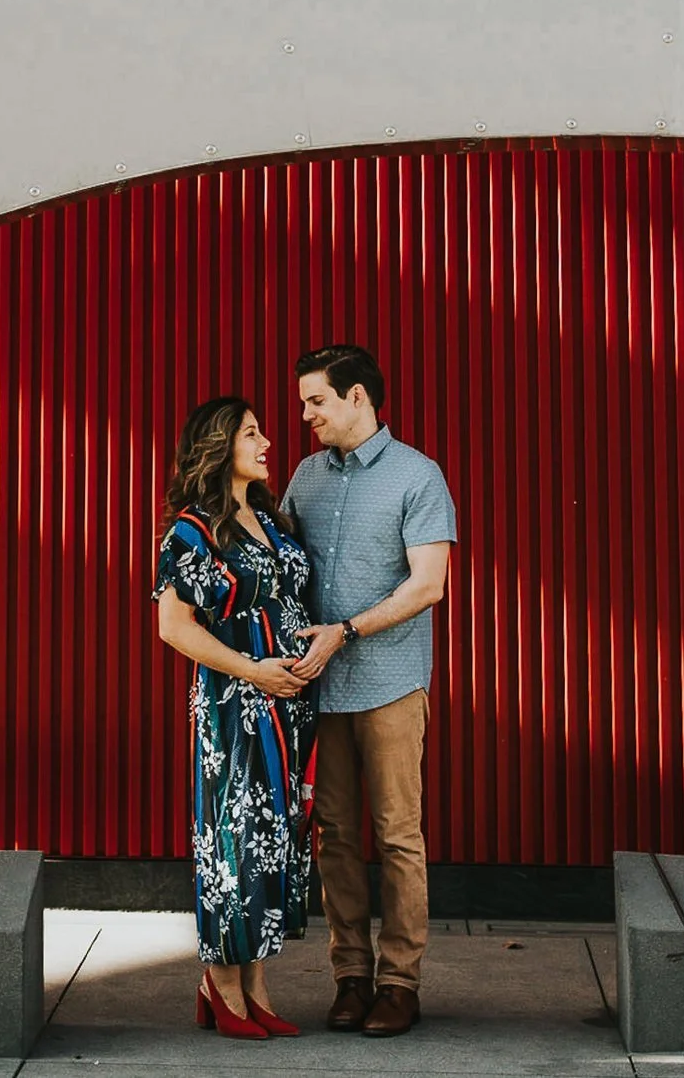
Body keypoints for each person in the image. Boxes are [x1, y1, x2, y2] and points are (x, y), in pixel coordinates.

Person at [281, 344, 457, 1038]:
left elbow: (428, 584)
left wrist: (345, 630)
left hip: (389, 684)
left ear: (359, 398)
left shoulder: (418, 475)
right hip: (320, 690)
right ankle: (350, 977)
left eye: (316, 400)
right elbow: (278, 552)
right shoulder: (304, 475)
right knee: (336, 838)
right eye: (302, 402)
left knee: (399, 836)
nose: (305, 414)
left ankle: (399, 983)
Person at [151, 396, 318, 1041]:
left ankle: (254, 985)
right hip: (234, 709)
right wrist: (254, 671)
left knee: (274, 844)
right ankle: (222, 986)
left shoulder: (271, 522)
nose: (268, 442)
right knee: (232, 844)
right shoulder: (192, 531)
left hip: (286, 706)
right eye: (253, 433)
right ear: (221, 445)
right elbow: (172, 627)